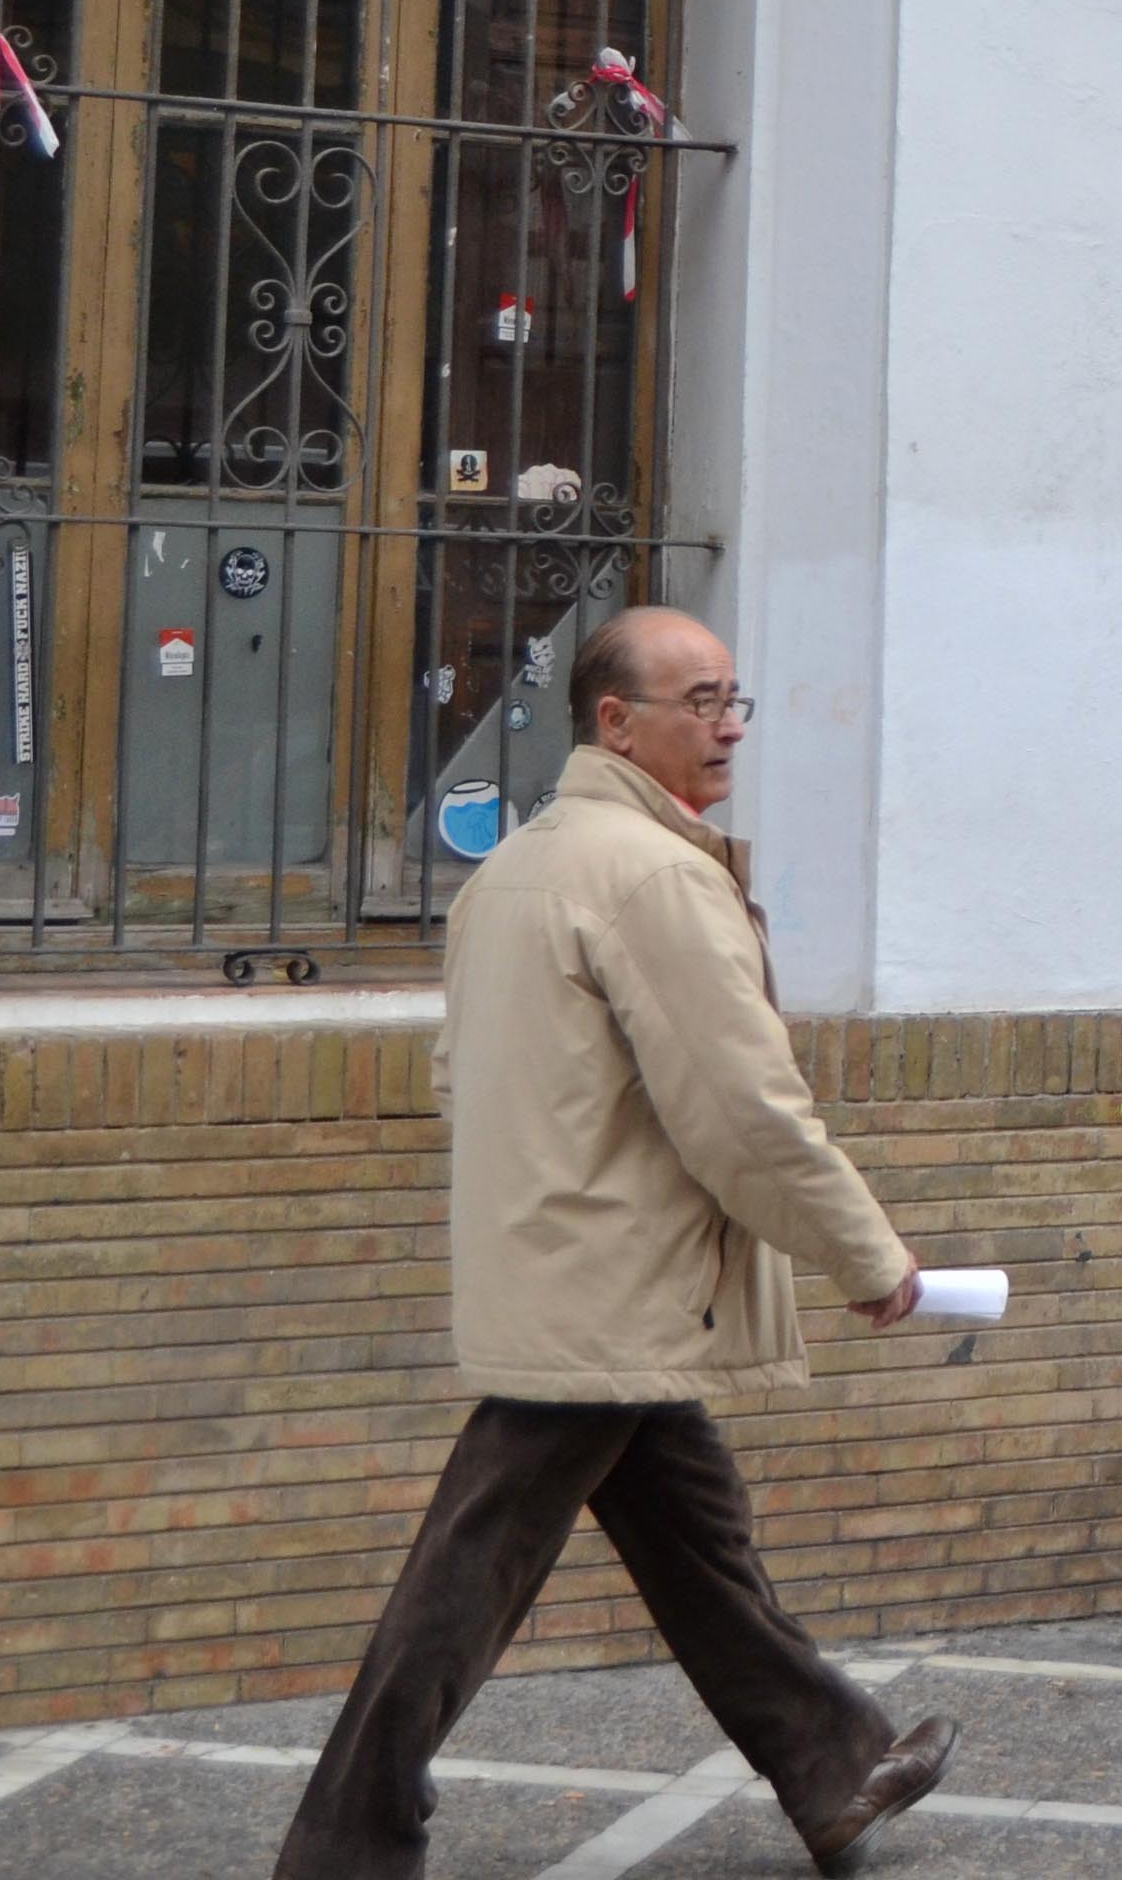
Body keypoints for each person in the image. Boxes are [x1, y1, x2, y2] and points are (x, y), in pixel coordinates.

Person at [275, 606, 959, 1880]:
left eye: (734, 698)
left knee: (699, 1540)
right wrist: (868, 1256)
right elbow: (744, 1104)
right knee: (468, 1576)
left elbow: (458, 1078)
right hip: (614, 1283)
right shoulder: (651, 877)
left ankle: (833, 1765)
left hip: (575, 1268)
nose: (731, 725)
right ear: (614, 721)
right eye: (701, 701)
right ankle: (345, 1844)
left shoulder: (521, 867)